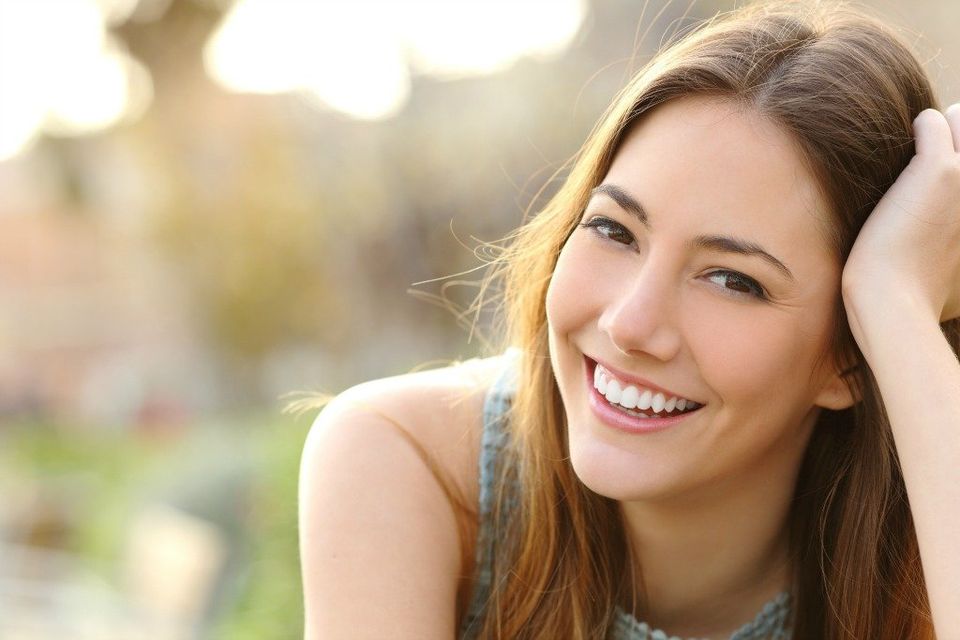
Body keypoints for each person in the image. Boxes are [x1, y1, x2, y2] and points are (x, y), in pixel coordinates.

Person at [297, 1, 960, 638]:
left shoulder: (924, 541)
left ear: (849, 357)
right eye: (615, 230)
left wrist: (899, 309)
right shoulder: (410, 464)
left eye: (732, 280)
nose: (630, 323)